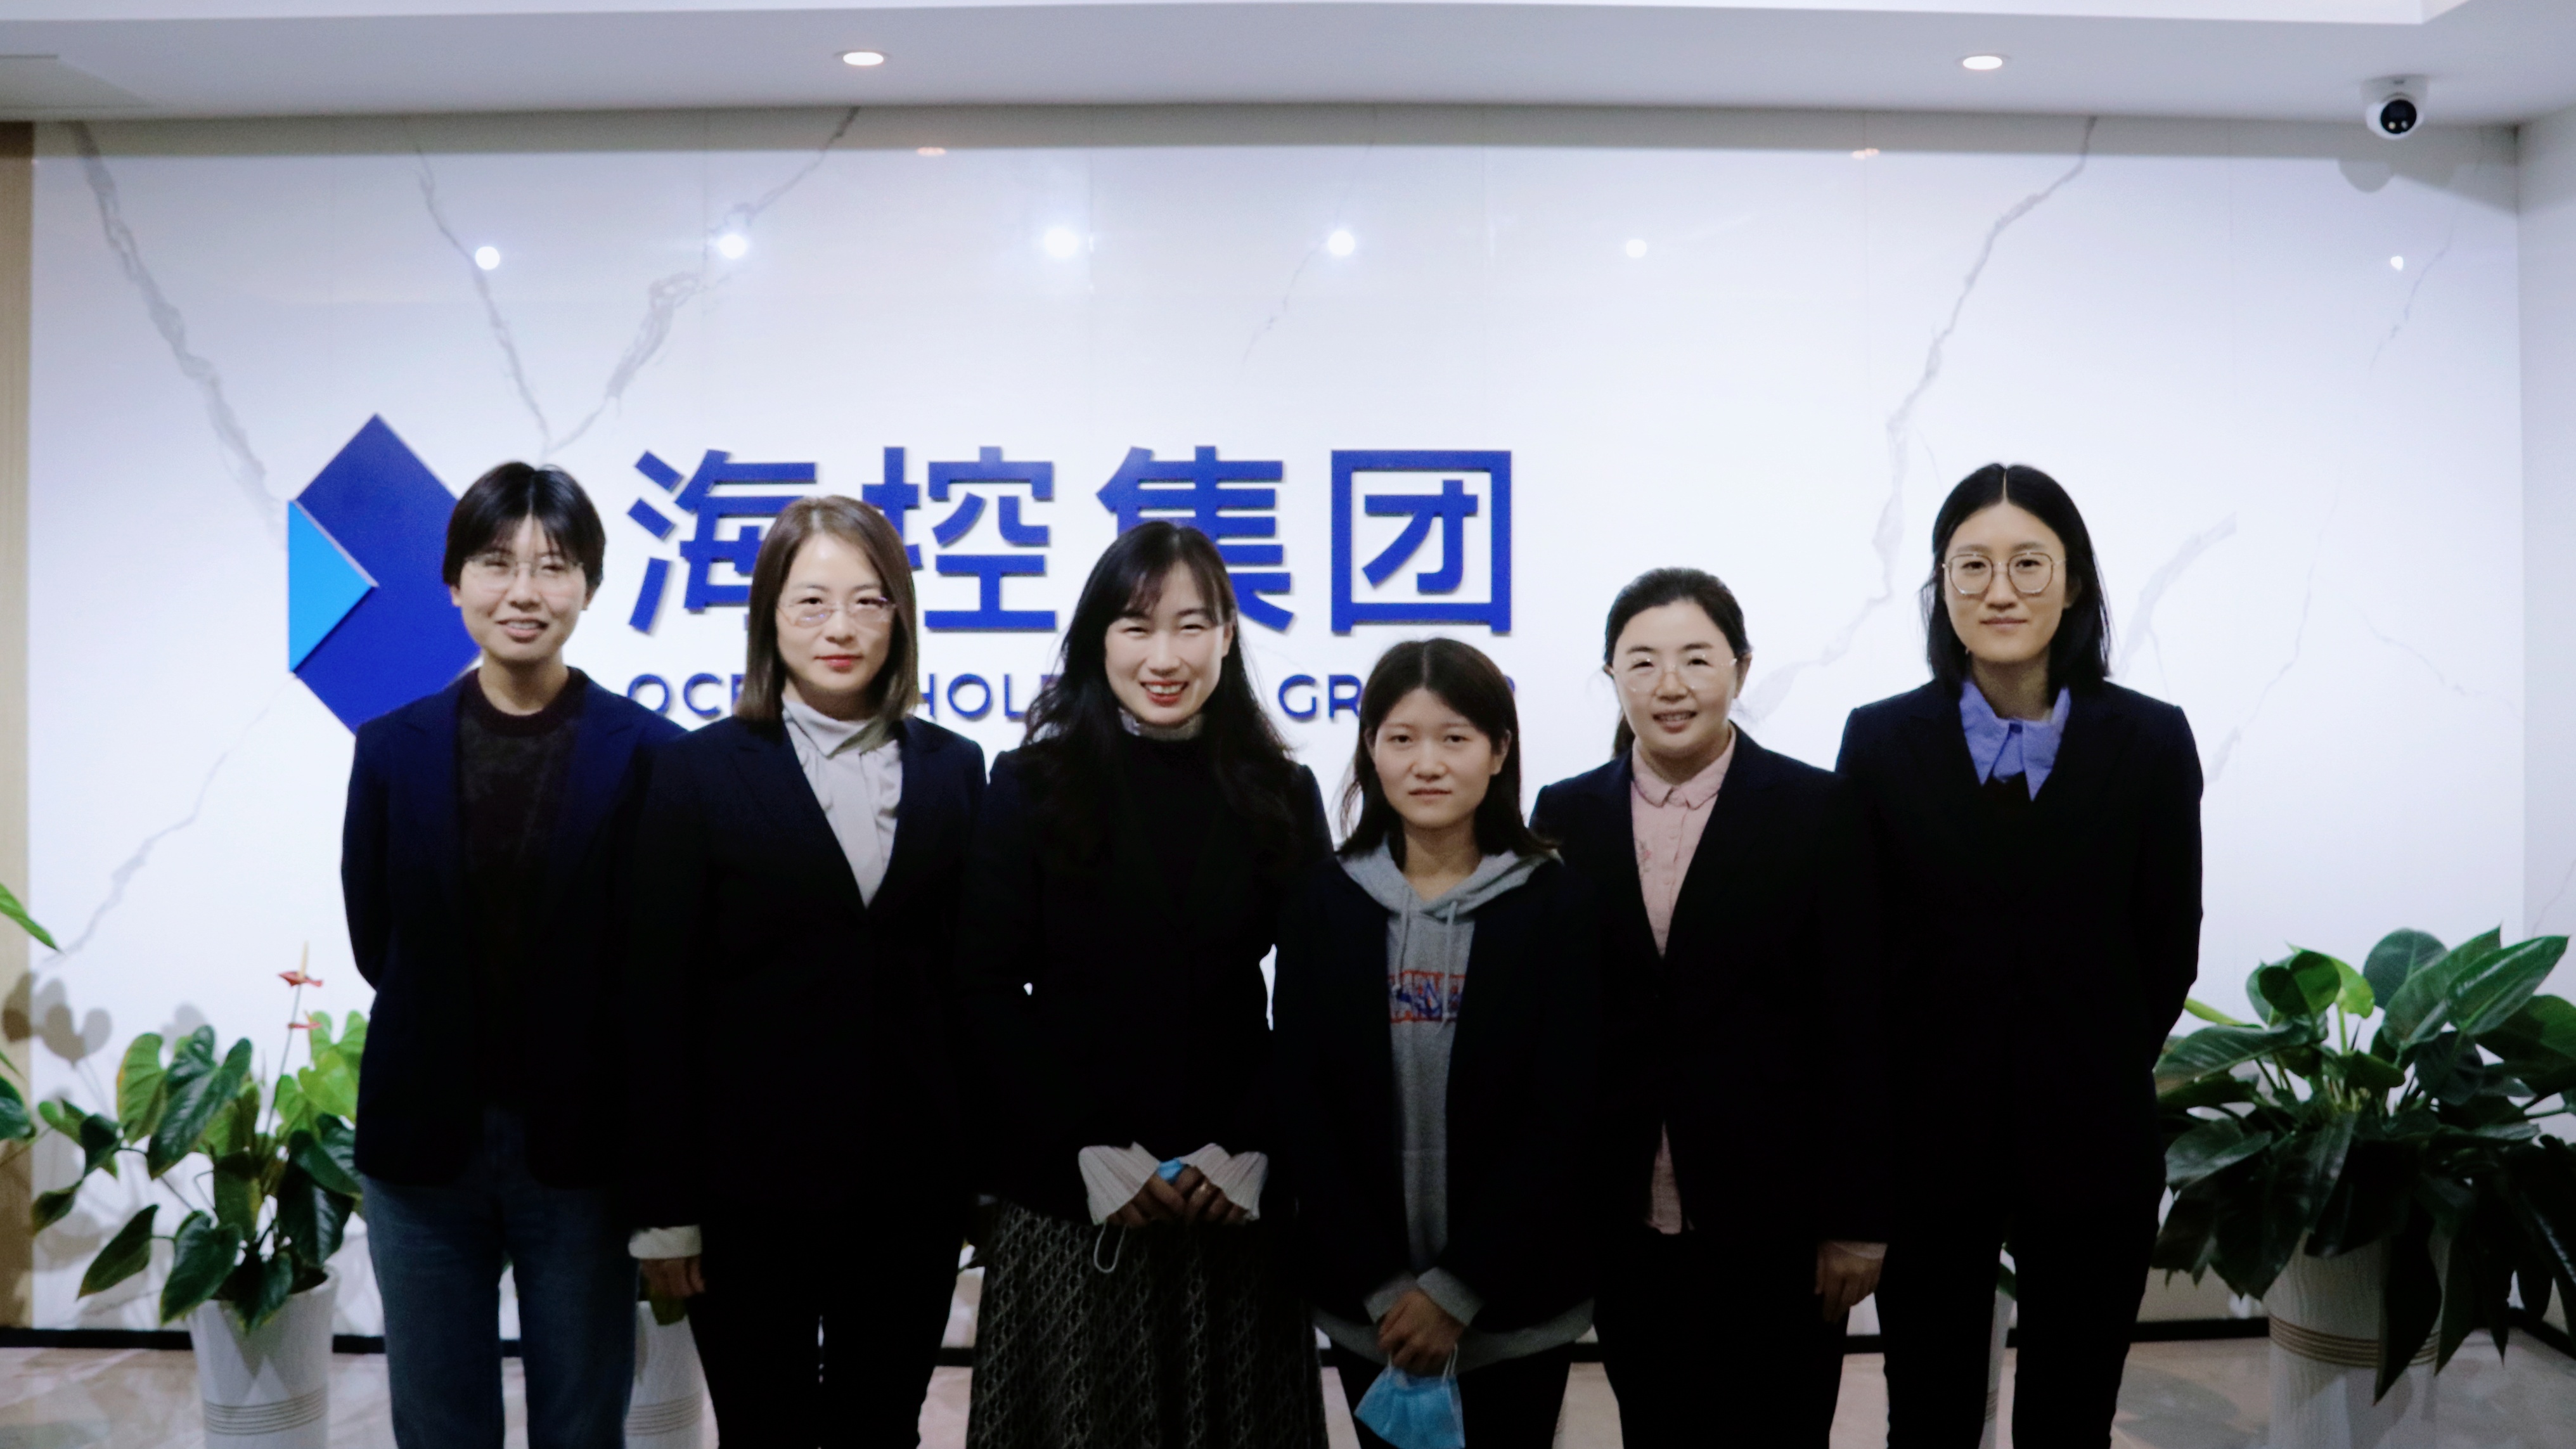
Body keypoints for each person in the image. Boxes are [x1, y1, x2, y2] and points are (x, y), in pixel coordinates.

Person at [1836, 464, 2201, 1448]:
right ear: (1942, 586)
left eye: (2029, 564)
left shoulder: (2150, 740)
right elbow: (1859, 958)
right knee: (1930, 1416)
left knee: (2071, 1419)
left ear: (2073, 582)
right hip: (1928, 1148)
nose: (2001, 590)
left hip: (2092, 1139)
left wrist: (2080, 1064)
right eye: (1974, 566)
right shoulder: (1880, 742)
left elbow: (2167, 946)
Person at [957, 520, 1330, 1449]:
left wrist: (1250, 1149)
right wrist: (1084, 1153)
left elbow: (1320, 1000)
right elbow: (985, 988)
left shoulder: (1282, 792)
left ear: (1227, 637)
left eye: (1191, 626)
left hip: (1230, 1200)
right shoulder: (1031, 784)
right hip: (1071, 1199)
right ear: (1098, 641)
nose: (1165, 657)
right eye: (1136, 626)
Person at [622, 496, 985, 1448]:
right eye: (812, 601)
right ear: (769, 618)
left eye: (868, 601)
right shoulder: (695, 772)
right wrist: (664, 1214)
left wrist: (983, 1182)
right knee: (764, 1431)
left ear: (899, 616)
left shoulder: (956, 769)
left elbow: (970, 993)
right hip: (745, 1195)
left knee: (883, 1430)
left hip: (909, 1192)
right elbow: (655, 1003)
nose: (840, 627)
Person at [344, 462, 683, 1449]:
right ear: (454, 581)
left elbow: (659, 964)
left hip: (581, 1151)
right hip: (424, 1149)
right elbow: (377, 939)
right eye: (497, 563)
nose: (524, 591)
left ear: (589, 587)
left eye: (554, 565)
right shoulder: (391, 748)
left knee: (582, 1423)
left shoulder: (652, 753)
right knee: (438, 1424)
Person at [1529, 569, 1888, 1448]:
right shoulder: (1566, 813)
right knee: (1654, 1427)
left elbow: (1860, 1024)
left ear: (1741, 667)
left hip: (1779, 1219)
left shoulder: (1819, 808)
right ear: (1611, 676)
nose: (1670, 684)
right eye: (1641, 662)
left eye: (1696, 658)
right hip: (1624, 1216)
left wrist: (1856, 1220)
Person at [1272, 638, 1602, 1449]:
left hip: (1516, 1305)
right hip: (1370, 1312)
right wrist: (1383, 1288)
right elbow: (1304, 1106)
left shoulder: (1556, 903)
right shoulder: (1325, 901)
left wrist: (1457, 1290)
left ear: (1499, 751)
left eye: (1454, 738)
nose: (1427, 763)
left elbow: (1563, 1115)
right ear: (1370, 751)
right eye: (1401, 738)